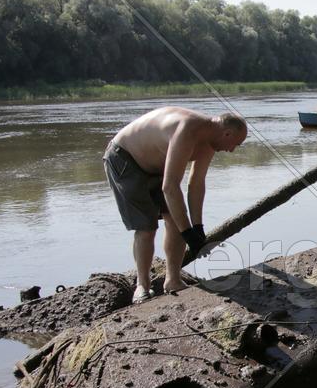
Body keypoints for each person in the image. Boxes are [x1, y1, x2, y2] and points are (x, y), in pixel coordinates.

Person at [103, 107, 248, 303]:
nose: (231, 150)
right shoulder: (188, 129)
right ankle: (142, 286)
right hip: (126, 159)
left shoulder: (210, 142)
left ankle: (173, 279)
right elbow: (170, 188)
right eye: (235, 144)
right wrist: (187, 233)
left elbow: (196, 183)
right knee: (146, 227)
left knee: (174, 220)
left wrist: (198, 228)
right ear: (227, 133)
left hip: (157, 165)